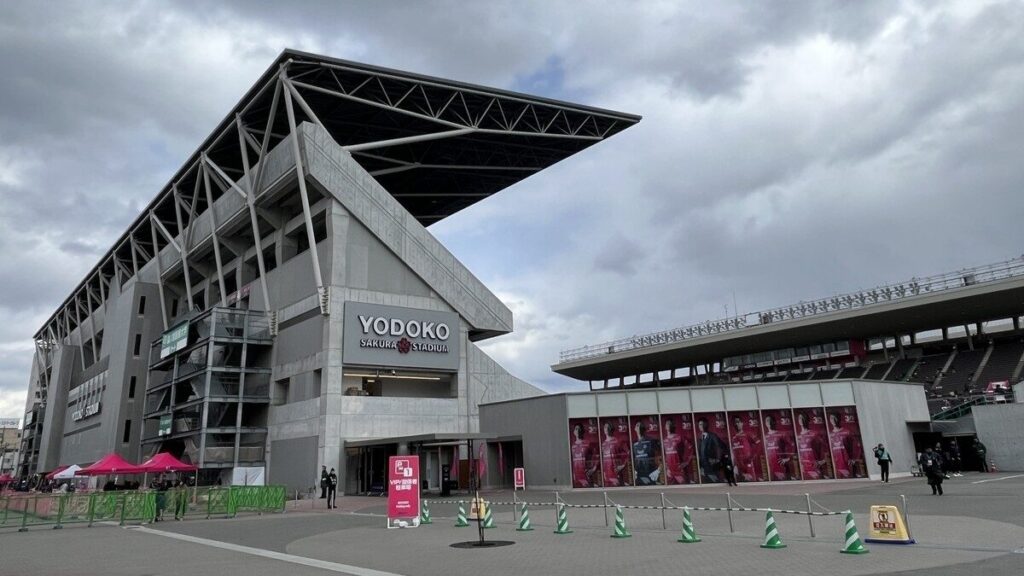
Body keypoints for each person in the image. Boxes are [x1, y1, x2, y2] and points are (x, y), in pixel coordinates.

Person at [763, 414, 798, 481]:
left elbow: (792, 445)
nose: (768, 422)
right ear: (765, 423)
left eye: (770, 420)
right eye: (767, 420)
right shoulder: (765, 436)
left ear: (774, 422)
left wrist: (788, 458)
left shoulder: (781, 434)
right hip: (770, 466)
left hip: (780, 466)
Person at [662, 418, 697, 484]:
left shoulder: (680, 437)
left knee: (684, 487)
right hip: (670, 471)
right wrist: (666, 467)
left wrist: (686, 462)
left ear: (674, 425)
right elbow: (664, 455)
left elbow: (690, 448)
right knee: (671, 488)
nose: (669, 425)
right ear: (665, 427)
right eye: (667, 423)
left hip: (679, 470)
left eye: (671, 423)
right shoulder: (664, 440)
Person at [730, 416, 762, 482]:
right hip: (738, 467)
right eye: (735, 422)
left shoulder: (748, 434)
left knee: (751, 483)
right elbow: (734, 452)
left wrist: (752, 457)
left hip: (747, 466)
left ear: (742, 423)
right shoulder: (733, 437)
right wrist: (734, 464)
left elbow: (759, 443)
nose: (736, 424)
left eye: (738, 422)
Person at [697, 417, 727, 483]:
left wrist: (717, 459)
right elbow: (699, 453)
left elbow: (722, 446)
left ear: (707, 425)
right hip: (704, 468)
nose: (701, 426)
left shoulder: (712, 436)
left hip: (712, 467)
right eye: (700, 424)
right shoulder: (700, 438)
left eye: (703, 424)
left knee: (716, 482)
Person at [632, 420, 661, 486]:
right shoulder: (634, 443)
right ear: (635, 429)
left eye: (641, 425)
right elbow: (631, 458)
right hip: (639, 473)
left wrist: (658, 470)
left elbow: (661, 455)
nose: (639, 427)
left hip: (651, 472)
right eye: (637, 425)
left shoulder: (651, 441)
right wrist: (633, 471)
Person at [600, 421, 630, 487]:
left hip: (616, 474)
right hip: (606, 475)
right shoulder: (603, 444)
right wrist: (603, 472)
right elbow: (603, 459)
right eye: (605, 427)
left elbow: (629, 453)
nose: (606, 428)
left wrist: (623, 465)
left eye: (608, 427)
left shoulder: (618, 441)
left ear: (611, 428)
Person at [570, 423, 598, 487]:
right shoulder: (572, 446)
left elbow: (597, 456)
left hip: (586, 476)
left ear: (582, 431)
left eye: (579, 429)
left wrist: (594, 469)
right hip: (576, 477)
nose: (578, 430)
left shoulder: (588, 444)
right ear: (574, 432)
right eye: (576, 429)